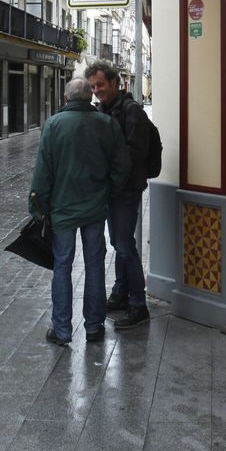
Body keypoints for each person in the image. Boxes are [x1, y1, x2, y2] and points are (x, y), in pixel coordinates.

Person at [29, 77, 128, 346]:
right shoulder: (106, 124)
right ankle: (94, 326)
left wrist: (37, 206)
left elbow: (43, 171)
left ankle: (61, 330)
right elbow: (122, 165)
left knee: (62, 265)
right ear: (89, 97)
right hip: (95, 207)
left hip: (62, 209)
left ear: (67, 98)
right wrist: (109, 191)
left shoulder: (53, 125)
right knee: (95, 264)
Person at [84, 61, 153, 330]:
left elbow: (133, 154)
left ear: (116, 82)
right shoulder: (104, 109)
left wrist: (112, 176)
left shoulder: (131, 111)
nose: (97, 90)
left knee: (124, 245)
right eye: (93, 87)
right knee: (119, 243)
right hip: (113, 189)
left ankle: (138, 304)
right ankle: (121, 293)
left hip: (126, 189)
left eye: (101, 84)